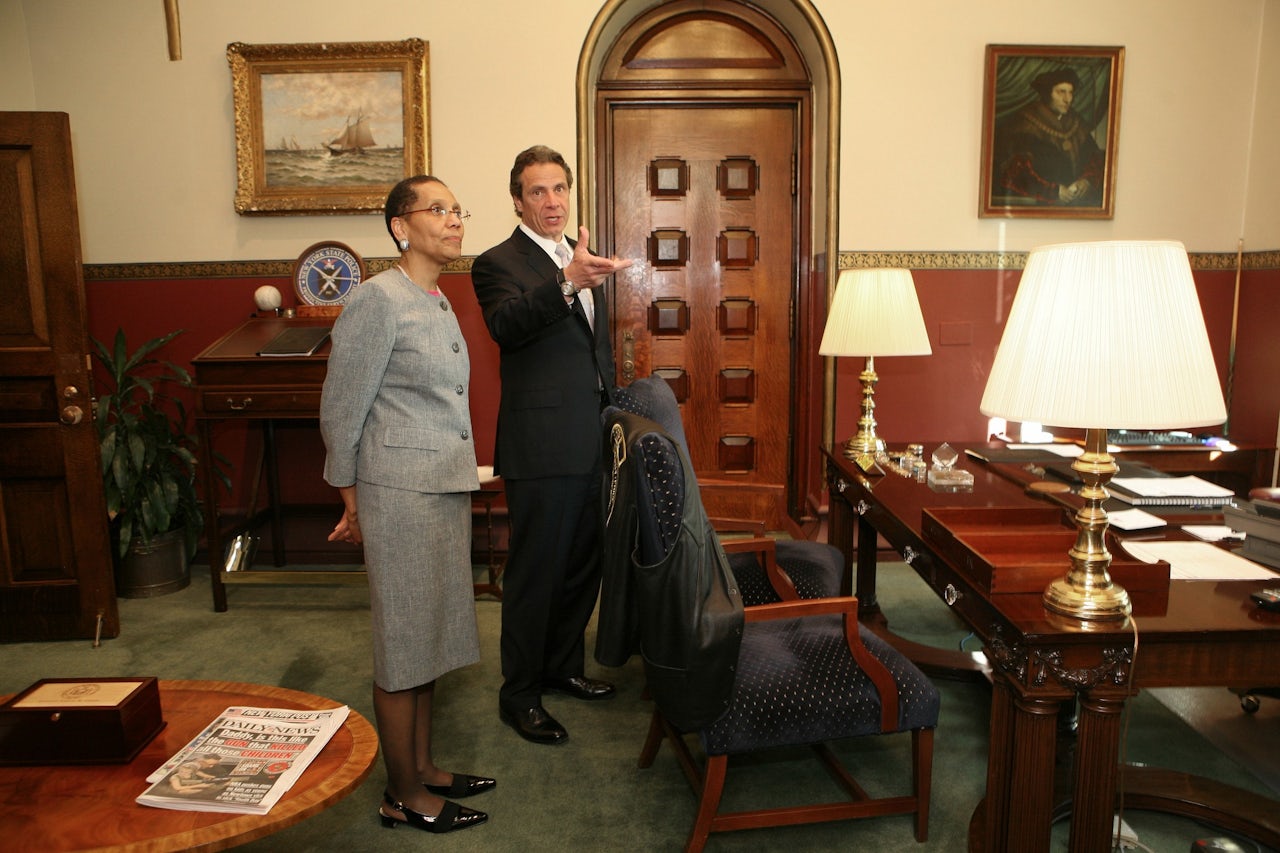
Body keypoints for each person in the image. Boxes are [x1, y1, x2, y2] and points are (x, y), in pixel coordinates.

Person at [320, 174, 493, 833]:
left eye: (458, 209)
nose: (454, 220)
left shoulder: (438, 297)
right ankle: (401, 794)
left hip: (440, 488)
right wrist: (350, 498)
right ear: (401, 225)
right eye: (439, 210)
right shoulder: (377, 299)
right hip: (395, 494)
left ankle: (422, 767)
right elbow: (342, 407)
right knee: (402, 645)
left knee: (429, 636)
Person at [471, 145, 633, 745]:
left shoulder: (577, 256)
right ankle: (520, 694)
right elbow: (508, 326)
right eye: (538, 191)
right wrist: (566, 282)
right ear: (517, 201)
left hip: (592, 435)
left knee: (582, 564)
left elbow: (587, 350)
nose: (552, 201)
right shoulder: (496, 263)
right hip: (541, 446)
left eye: (559, 188)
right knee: (537, 572)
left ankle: (565, 667)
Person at [993, 67, 1106, 207]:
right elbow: (1015, 173)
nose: (1068, 99)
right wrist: (1054, 191)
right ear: (1047, 94)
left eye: (1071, 93)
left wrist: (1087, 181)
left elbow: (1095, 158)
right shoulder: (1025, 124)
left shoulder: (1076, 122)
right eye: (1061, 92)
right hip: (1036, 206)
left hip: (1074, 206)